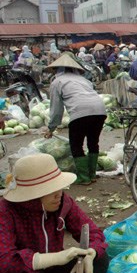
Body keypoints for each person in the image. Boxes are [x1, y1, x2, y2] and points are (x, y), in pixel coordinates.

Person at [0, 153, 108, 273]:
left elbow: (93, 232)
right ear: (32, 195)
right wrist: (55, 258)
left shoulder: (63, 203)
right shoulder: (6, 211)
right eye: (51, 190)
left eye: (59, 187)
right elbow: (5, 259)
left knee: (100, 260)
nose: (59, 194)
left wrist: (91, 252)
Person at [44, 54, 107, 185]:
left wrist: (51, 128)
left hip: (80, 113)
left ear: (57, 69)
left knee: (76, 145)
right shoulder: (84, 80)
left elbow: (56, 109)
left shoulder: (57, 82)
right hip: (100, 110)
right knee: (93, 142)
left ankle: (84, 178)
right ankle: (92, 175)